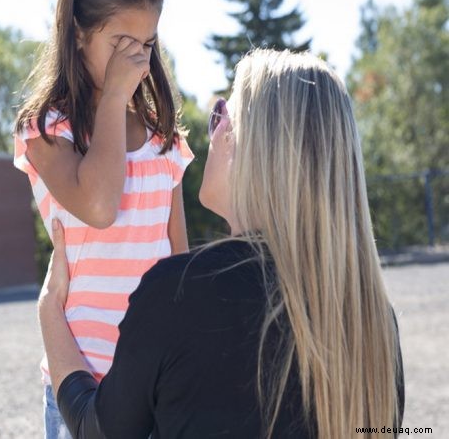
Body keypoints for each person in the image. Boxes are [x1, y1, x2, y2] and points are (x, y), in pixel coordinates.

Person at [39, 48, 405, 438]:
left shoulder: (179, 293)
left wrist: (50, 310)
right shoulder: (373, 321)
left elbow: (98, 431)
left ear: (245, 145)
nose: (210, 135)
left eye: (220, 116)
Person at [12, 0, 194, 436]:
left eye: (147, 45)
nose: (136, 59)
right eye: (119, 44)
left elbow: (179, 260)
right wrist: (114, 98)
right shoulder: (48, 131)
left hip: (156, 389)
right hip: (80, 390)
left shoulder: (165, 141)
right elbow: (99, 205)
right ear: (77, 35)